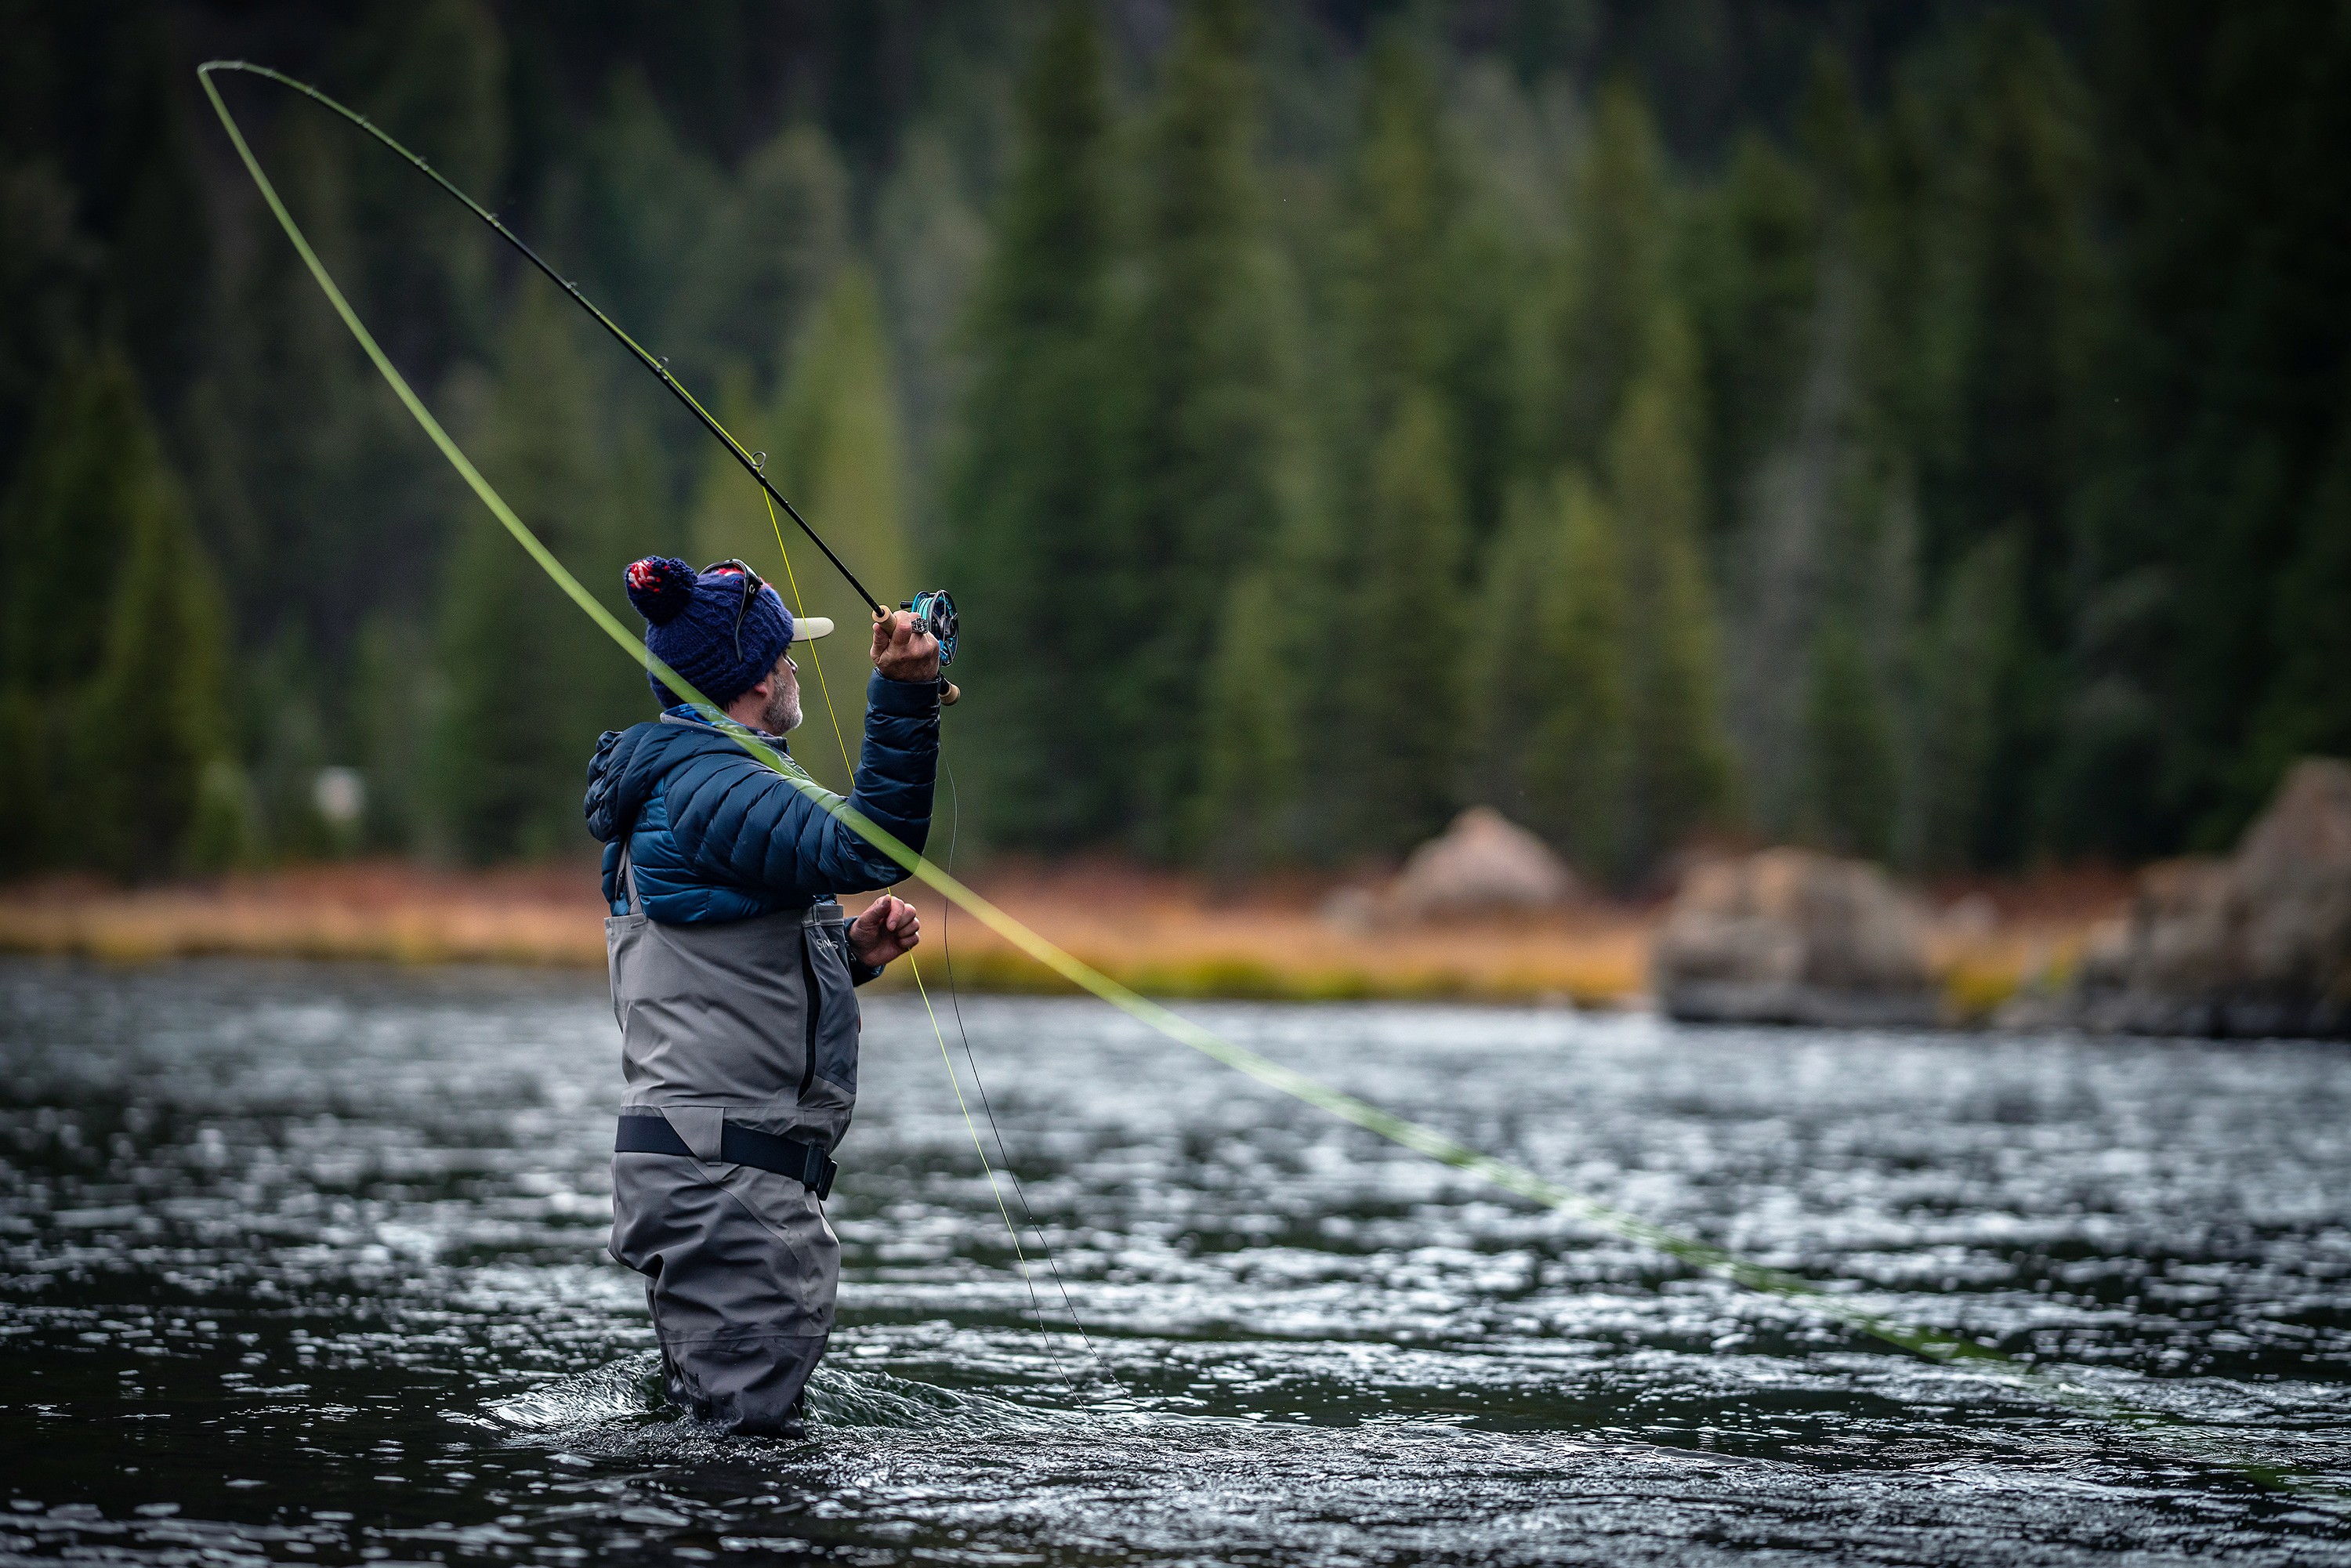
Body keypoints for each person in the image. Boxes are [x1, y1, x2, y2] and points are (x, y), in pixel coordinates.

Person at [581, 554, 942, 1436]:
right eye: (783, 655)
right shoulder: (710, 786)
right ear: (750, 678)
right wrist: (903, 696)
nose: (792, 670)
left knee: (720, 1449)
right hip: (729, 1186)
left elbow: (717, 964)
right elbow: (871, 843)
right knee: (746, 1483)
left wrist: (843, 953)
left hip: (711, 1177)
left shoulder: (696, 785)